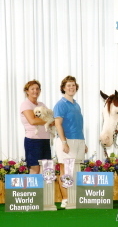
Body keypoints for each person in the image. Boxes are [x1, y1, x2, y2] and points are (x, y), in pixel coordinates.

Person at [53, 75, 88, 208]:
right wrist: (64, 142)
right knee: (66, 170)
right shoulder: (60, 104)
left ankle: (73, 198)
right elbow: (58, 124)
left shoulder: (76, 105)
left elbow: (78, 125)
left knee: (75, 171)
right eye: (68, 85)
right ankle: (66, 200)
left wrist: (83, 142)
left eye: (73, 85)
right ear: (63, 88)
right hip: (67, 141)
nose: (71, 87)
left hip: (78, 140)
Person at [20, 80, 52, 174]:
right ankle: (31, 189)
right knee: (35, 169)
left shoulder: (41, 105)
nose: (35, 91)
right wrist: (48, 121)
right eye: (32, 89)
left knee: (46, 171)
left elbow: (51, 118)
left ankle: (42, 189)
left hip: (45, 140)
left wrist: (49, 121)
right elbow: (33, 121)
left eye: (37, 89)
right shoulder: (26, 104)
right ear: (27, 91)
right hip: (33, 141)